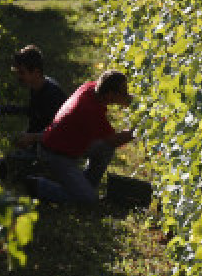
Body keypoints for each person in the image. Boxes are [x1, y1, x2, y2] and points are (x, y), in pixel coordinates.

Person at [21, 70, 134, 205]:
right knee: (88, 200)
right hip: (56, 156)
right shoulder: (91, 112)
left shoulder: (90, 88)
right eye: (124, 92)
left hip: (65, 143)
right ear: (110, 94)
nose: (127, 94)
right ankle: (38, 186)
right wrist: (138, 130)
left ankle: (86, 185)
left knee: (105, 149)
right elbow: (115, 140)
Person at [0, 45, 69, 136]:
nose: (19, 77)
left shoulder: (52, 95)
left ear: (36, 72)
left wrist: (30, 138)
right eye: (17, 72)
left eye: (22, 72)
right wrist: (2, 109)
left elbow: (57, 132)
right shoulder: (37, 87)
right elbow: (33, 112)